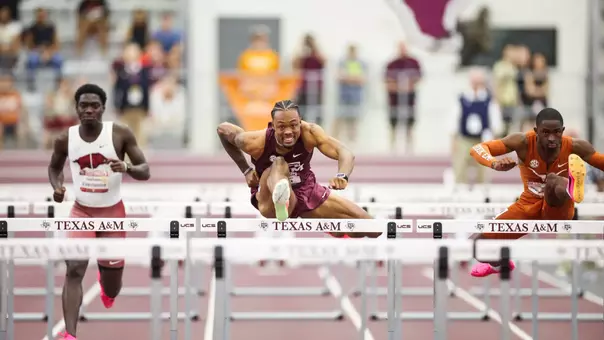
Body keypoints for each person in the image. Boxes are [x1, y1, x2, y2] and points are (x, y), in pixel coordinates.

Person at [47, 84, 150, 340]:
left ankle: (107, 286)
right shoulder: (65, 139)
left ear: (103, 108)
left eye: (95, 106)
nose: (89, 110)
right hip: (81, 212)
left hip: (112, 213)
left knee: (113, 285)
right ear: (77, 108)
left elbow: (145, 170)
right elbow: (54, 168)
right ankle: (69, 335)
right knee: (74, 270)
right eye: (84, 105)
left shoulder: (120, 134)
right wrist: (57, 186)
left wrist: (126, 167)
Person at [468, 108, 604, 277]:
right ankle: (500, 264)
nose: (552, 138)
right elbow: (477, 148)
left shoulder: (575, 145)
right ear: (536, 131)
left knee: (553, 180)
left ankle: (570, 186)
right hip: (528, 206)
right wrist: (494, 163)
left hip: (557, 207)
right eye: (545, 133)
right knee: (476, 244)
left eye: (556, 133)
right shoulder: (523, 142)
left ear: (562, 131)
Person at [217, 99, 379, 238]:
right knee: (279, 164)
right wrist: (245, 170)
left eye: (294, 125)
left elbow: (344, 152)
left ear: (300, 122)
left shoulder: (310, 133)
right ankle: (282, 199)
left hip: (306, 191)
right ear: (272, 125)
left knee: (372, 228)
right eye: (281, 127)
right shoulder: (256, 141)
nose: (288, 132)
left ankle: (335, 230)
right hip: (270, 197)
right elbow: (223, 129)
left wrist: (343, 175)